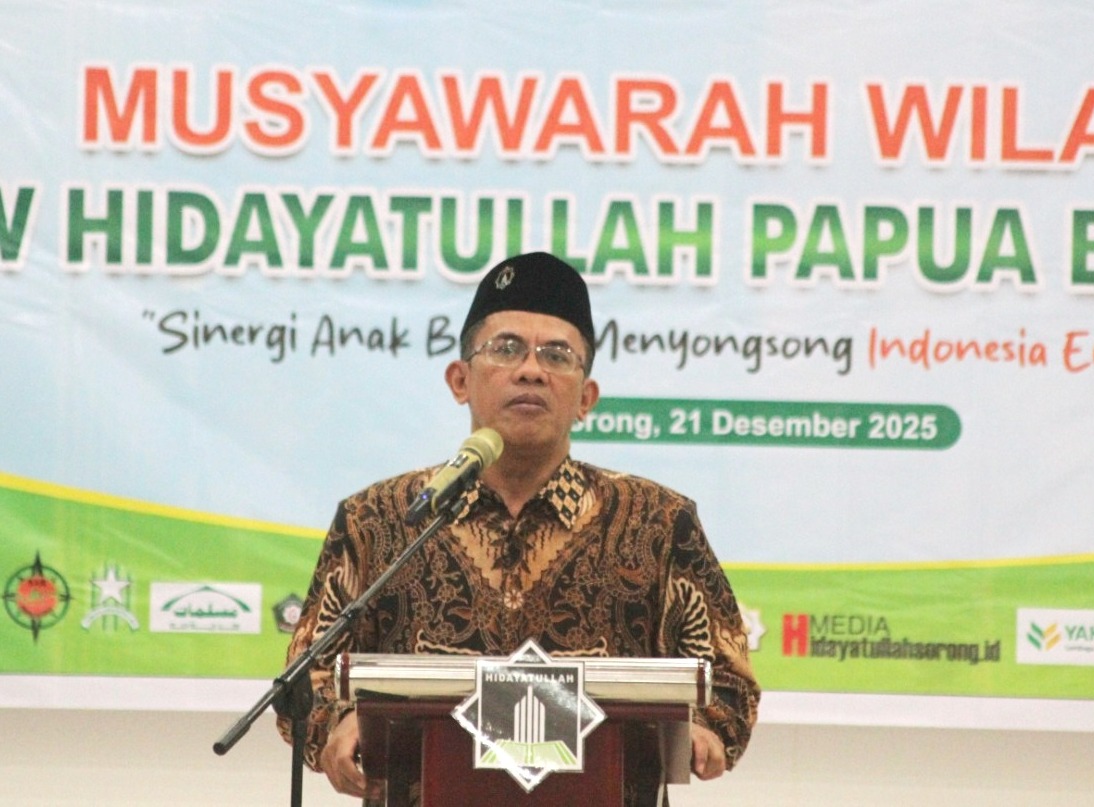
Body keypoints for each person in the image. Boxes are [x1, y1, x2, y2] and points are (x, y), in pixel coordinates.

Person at [278, 251, 760, 806]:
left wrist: (707, 728)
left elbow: (727, 679)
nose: (531, 370)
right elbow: (307, 679)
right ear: (460, 380)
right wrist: (335, 723)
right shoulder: (380, 519)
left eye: (557, 355)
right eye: (506, 349)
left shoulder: (656, 522)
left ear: (586, 398)